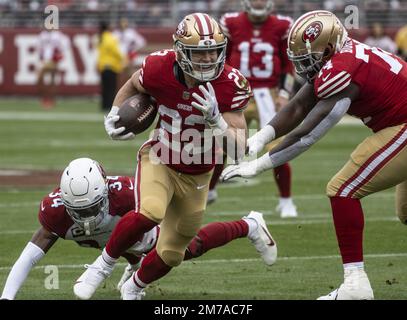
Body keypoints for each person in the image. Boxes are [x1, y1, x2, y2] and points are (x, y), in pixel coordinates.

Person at [73, 13, 275, 300]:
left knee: (171, 253)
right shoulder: (158, 67)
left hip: (199, 172)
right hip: (160, 158)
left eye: (212, 52)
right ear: (180, 51)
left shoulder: (231, 83)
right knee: (150, 212)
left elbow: (239, 150)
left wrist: (217, 121)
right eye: (199, 53)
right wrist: (115, 114)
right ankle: (100, 267)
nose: (207, 60)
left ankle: (133, 287)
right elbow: (133, 84)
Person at [221, 10, 407, 300]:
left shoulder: (343, 69)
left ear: (329, 48)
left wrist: (257, 165)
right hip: (398, 124)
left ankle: (355, 284)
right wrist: (256, 141)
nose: (304, 67)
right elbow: (297, 106)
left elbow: (307, 134)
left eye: (308, 59)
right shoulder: (342, 56)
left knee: (342, 189)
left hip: (403, 127)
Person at [0, 158, 277, 300]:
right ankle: (134, 266)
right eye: (79, 211)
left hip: (154, 218)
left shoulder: (126, 195)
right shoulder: (56, 211)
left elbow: (145, 222)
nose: (87, 216)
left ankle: (249, 225)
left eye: (91, 207)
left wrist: (139, 259)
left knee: (183, 250)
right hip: (119, 239)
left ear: (105, 193)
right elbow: (30, 256)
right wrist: (7, 296)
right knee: (112, 236)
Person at [207, 0, 298, 218]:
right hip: (237, 92)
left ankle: (286, 201)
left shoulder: (283, 25)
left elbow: (288, 63)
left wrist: (284, 94)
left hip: (269, 93)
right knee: (225, 143)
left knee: (278, 150)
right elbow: (222, 59)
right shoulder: (230, 22)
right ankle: (210, 189)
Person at [37, 28, 68, 109]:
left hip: (53, 60)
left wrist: (59, 56)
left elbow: (65, 45)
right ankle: (47, 98)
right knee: (44, 79)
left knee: (52, 81)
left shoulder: (58, 35)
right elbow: (39, 48)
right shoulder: (42, 35)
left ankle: (49, 99)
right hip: (45, 60)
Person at [97, 21, 124, 113]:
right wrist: (122, 58)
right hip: (111, 66)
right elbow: (116, 52)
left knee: (105, 88)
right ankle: (109, 106)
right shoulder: (110, 38)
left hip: (103, 66)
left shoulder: (101, 38)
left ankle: (104, 106)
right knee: (111, 88)